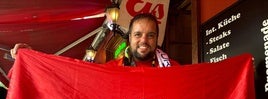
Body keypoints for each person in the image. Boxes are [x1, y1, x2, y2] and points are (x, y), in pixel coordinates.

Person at [10, 13, 179, 67]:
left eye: (151, 35)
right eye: (138, 34)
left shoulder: (174, 70)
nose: (144, 40)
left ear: (157, 39)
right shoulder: (113, 69)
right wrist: (33, 60)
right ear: (129, 38)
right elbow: (72, 78)